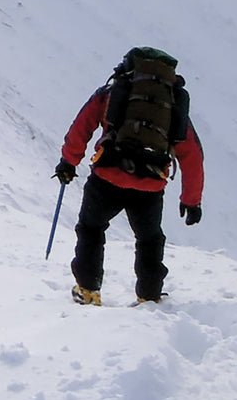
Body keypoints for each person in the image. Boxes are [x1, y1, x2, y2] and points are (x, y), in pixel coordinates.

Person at [54, 46, 204, 306]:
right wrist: (192, 201)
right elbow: (192, 154)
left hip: (107, 176)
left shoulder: (112, 93)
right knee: (149, 239)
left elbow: (83, 125)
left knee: (91, 229)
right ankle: (149, 295)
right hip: (150, 185)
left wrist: (68, 162)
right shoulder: (170, 106)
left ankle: (88, 290)